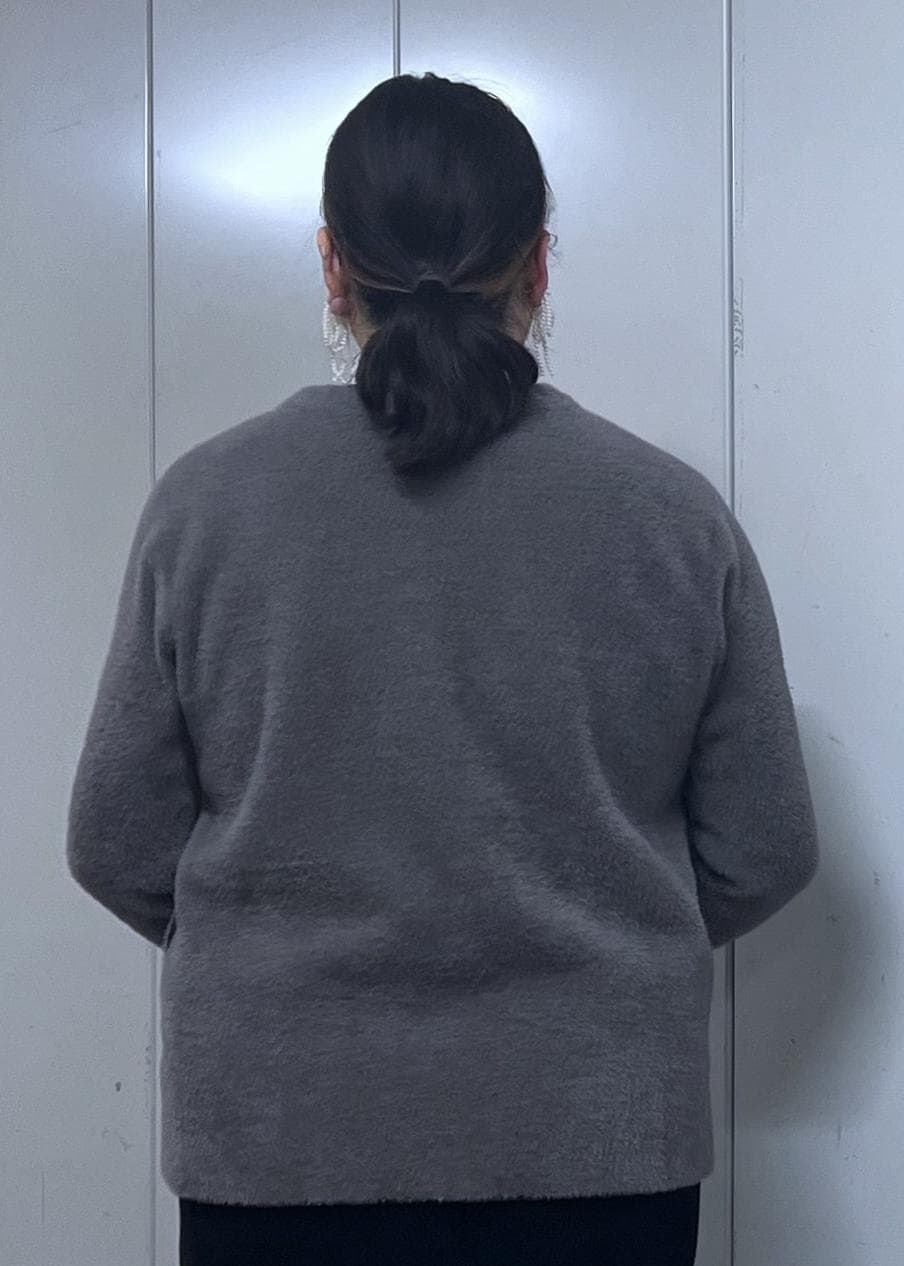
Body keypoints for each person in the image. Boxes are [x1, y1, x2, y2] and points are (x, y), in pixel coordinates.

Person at [67, 73, 819, 1266]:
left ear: (332, 266)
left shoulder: (205, 510)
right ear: (538, 267)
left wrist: (272, 943)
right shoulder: (670, 519)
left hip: (279, 1145)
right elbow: (763, 849)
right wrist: (596, 931)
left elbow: (115, 840)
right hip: (596, 1147)